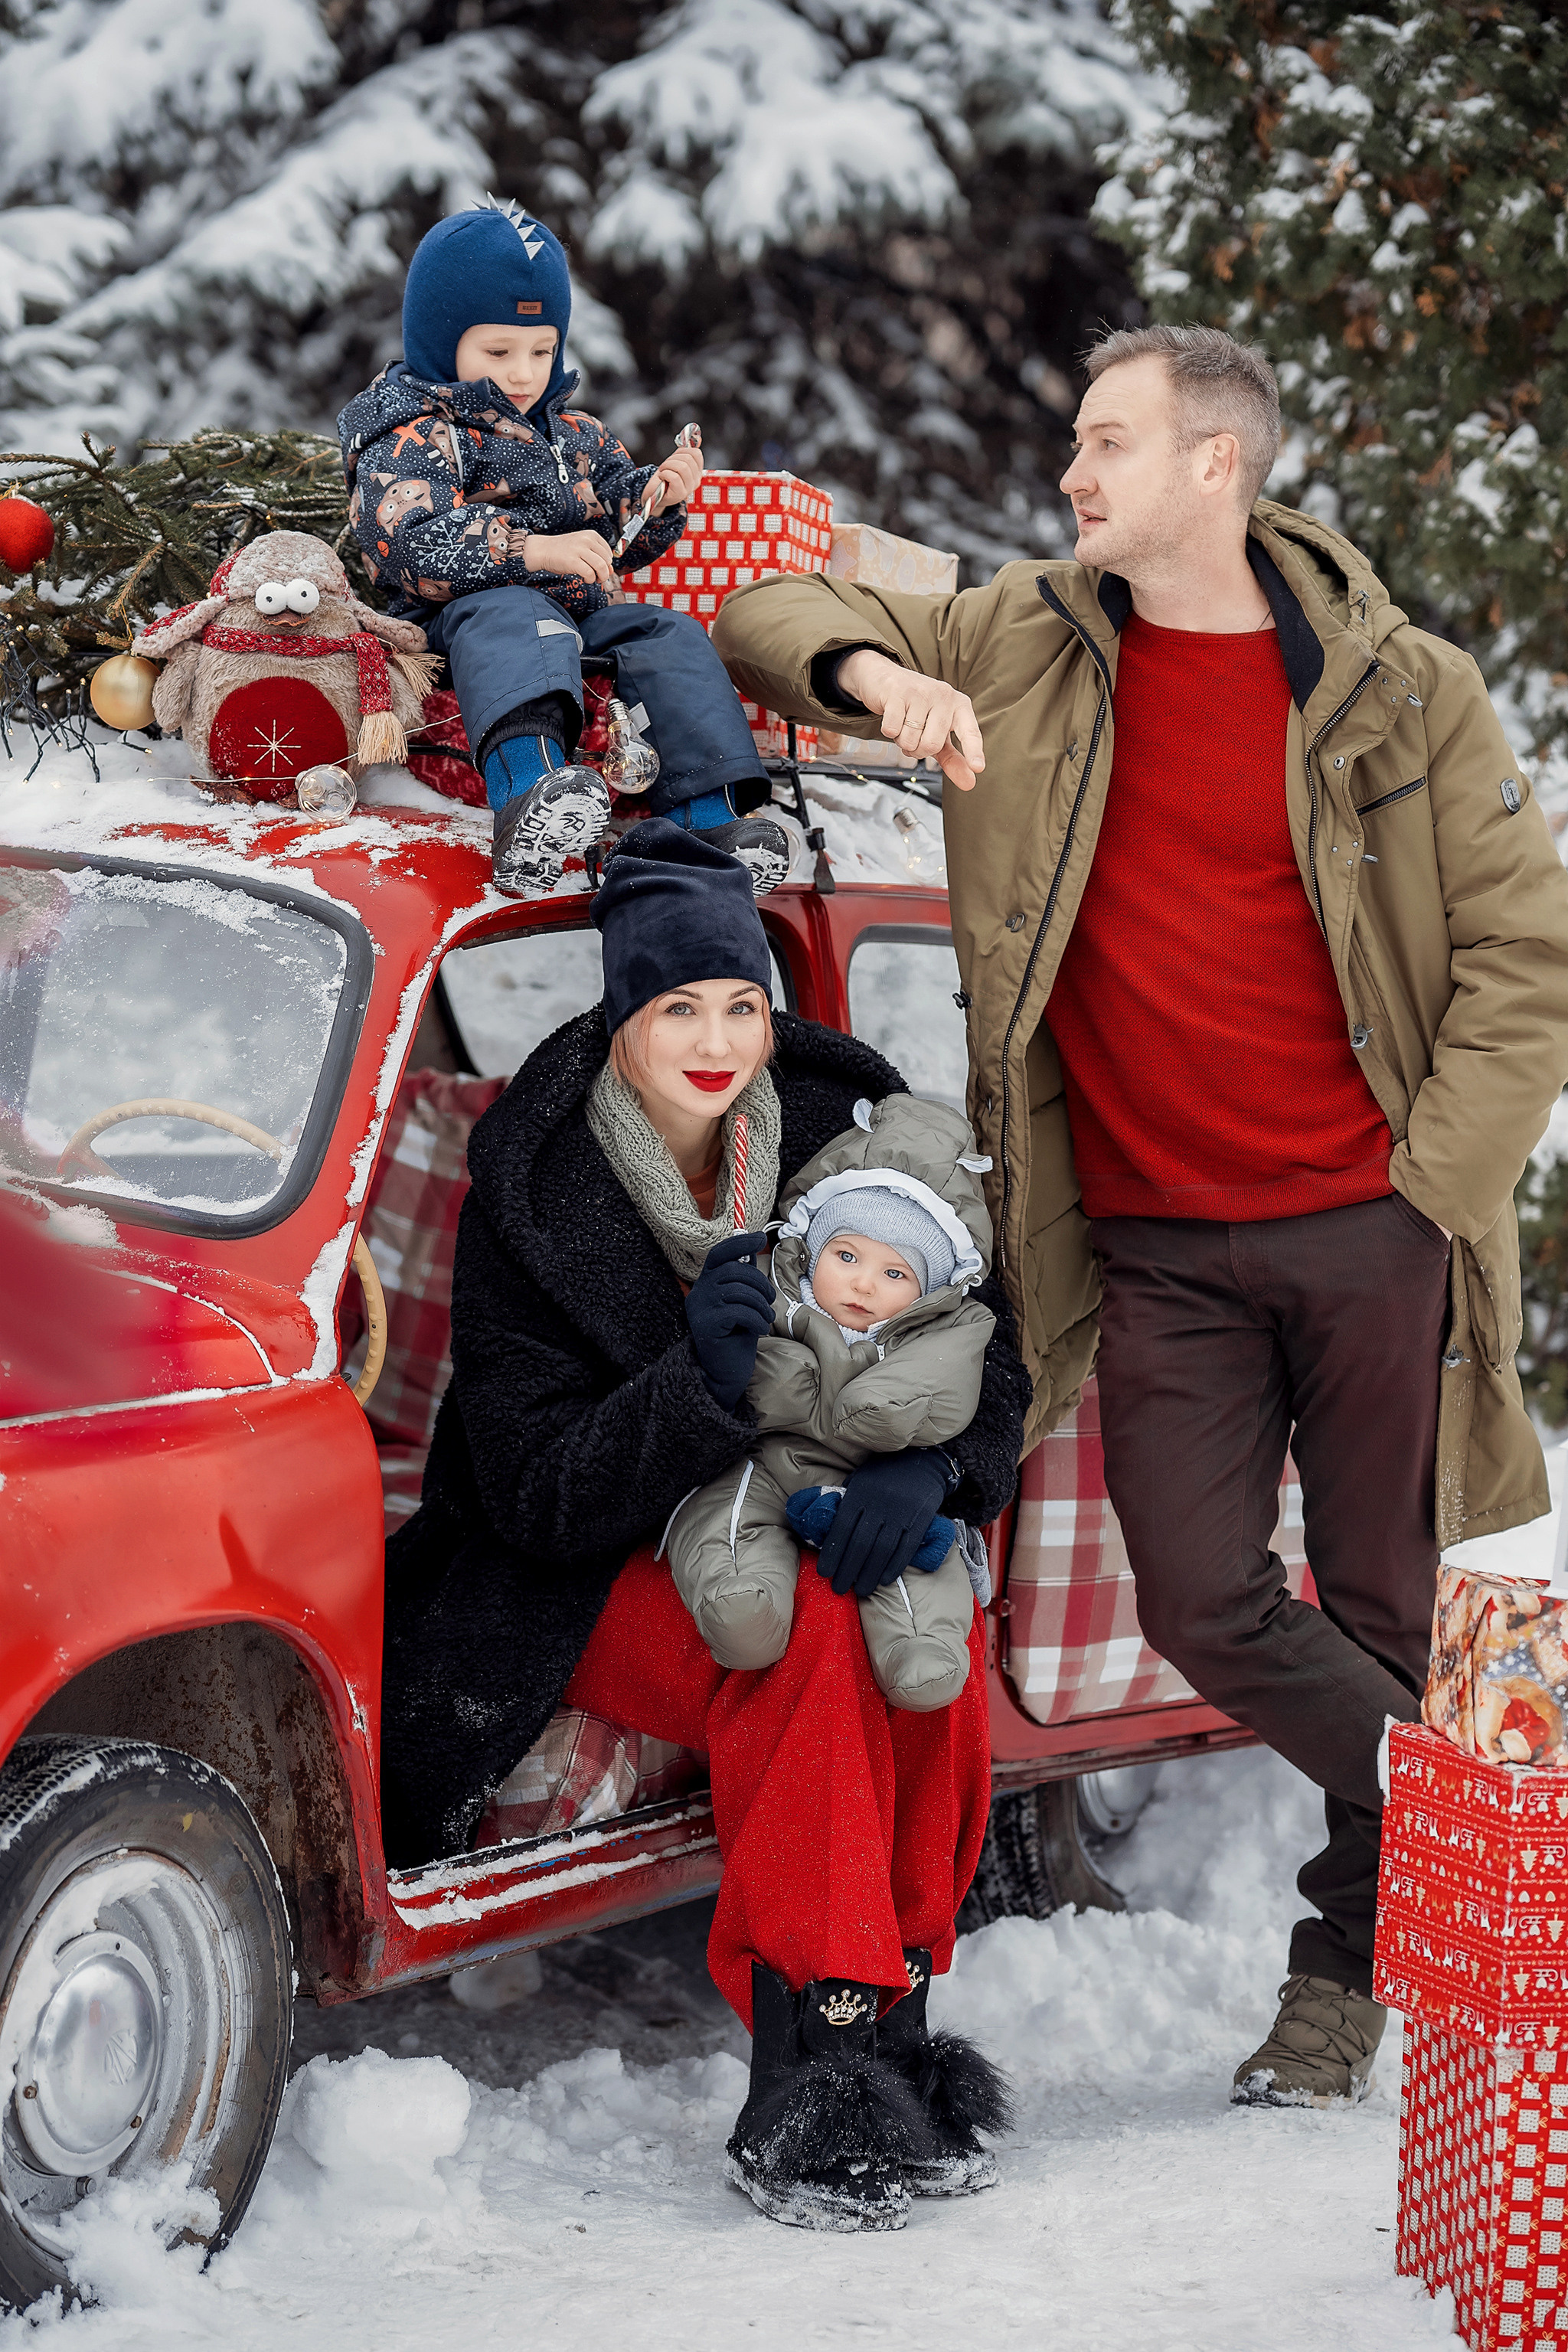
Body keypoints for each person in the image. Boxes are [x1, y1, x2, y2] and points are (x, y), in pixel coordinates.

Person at [710, 322, 1568, 2108]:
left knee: (1379, 1608)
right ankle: (1482, 1824)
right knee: (1199, 1595)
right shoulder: (1020, 635)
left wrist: (1432, 1181)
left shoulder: (1400, 689)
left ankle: (1336, 1989)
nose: (1070, 473)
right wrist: (875, 675)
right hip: (1159, 1242)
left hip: (1372, 1227)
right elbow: (765, 607)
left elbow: (1523, 952)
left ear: (1213, 464)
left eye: (1107, 440)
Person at [380, 818, 1030, 2228]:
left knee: (916, 1616)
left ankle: (895, 2027)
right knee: (809, 1639)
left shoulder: (836, 1125)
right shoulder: (533, 1187)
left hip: (812, 1505)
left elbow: (984, 1336)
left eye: (742, 1003)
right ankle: (812, 2072)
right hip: (574, 1568)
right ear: (623, 1012)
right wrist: (700, 1387)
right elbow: (531, 1486)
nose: (717, 1040)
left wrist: (937, 1474)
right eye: (679, 1007)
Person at [337, 196, 789, 897]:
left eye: (542, 351)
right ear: (438, 341)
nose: (524, 373)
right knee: (514, 610)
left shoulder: (575, 435)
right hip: (456, 625)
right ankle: (529, 793)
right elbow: (409, 541)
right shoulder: (414, 433)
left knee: (664, 632)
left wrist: (658, 497)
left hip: (575, 620)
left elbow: (618, 530)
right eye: (499, 352)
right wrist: (530, 551)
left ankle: (709, 815)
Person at [664, 1092, 996, 1714]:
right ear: (813, 1247)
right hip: (765, 1463)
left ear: (931, 1290)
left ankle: (923, 1648)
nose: (863, 1283)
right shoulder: (774, 1288)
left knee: (912, 1558)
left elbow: (947, 1382)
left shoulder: (949, 1327)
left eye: (896, 1274)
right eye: (846, 1256)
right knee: (725, 1519)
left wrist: (883, 1405)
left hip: (871, 1476)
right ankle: (740, 1603)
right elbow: (739, 1364)